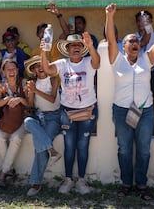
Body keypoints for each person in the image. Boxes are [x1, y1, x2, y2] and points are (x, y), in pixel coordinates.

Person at [104, 3, 154, 201]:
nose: (135, 43)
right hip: (121, 111)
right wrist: (109, 17)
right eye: (130, 41)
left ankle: (142, 184)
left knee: (144, 150)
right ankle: (127, 183)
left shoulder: (146, 59)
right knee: (125, 149)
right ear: (124, 46)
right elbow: (110, 39)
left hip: (144, 112)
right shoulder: (116, 59)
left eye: (137, 40)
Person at [41, 33, 100, 195]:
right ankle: (68, 180)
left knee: (82, 146)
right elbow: (47, 69)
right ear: (67, 49)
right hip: (67, 112)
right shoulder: (62, 63)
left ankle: (81, 180)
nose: (75, 47)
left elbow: (97, 62)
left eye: (79, 45)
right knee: (69, 146)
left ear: (83, 49)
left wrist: (91, 46)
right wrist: (43, 51)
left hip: (88, 111)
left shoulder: (88, 62)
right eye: (72, 45)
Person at [23, 55, 62, 196]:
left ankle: (35, 183)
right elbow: (30, 105)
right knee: (28, 122)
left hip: (53, 117)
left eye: (42, 64)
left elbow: (52, 99)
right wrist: (29, 92)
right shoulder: (32, 83)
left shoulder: (54, 79)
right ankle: (52, 151)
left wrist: (35, 91)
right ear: (33, 70)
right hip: (39, 117)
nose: (40, 67)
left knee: (40, 148)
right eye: (36, 66)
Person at [0, 59, 28, 188]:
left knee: (16, 138)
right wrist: (7, 99)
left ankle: (3, 174)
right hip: (6, 119)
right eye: (8, 69)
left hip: (23, 119)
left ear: (18, 71)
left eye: (14, 69)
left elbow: (30, 104)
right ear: (3, 72)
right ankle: (10, 169)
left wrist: (19, 99)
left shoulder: (24, 83)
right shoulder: (1, 85)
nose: (11, 71)